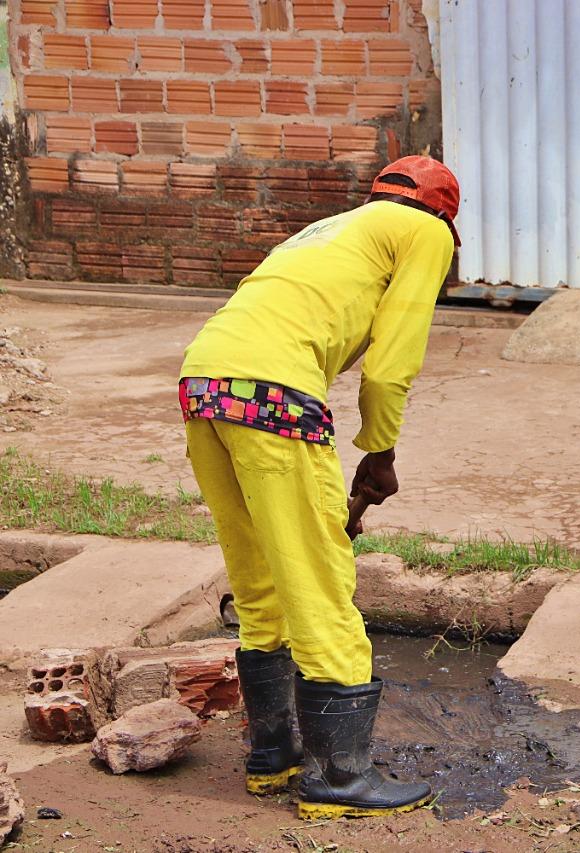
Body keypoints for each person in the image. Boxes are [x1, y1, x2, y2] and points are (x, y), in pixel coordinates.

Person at [178, 155, 460, 817]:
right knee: (319, 574)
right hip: (273, 393)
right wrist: (379, 452)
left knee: (258, 574)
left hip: (202, 381)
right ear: (444, 212)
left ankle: (272, 754)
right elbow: (391, 367)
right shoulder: (427, 233)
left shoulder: (334, 228)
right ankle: (340, 778)